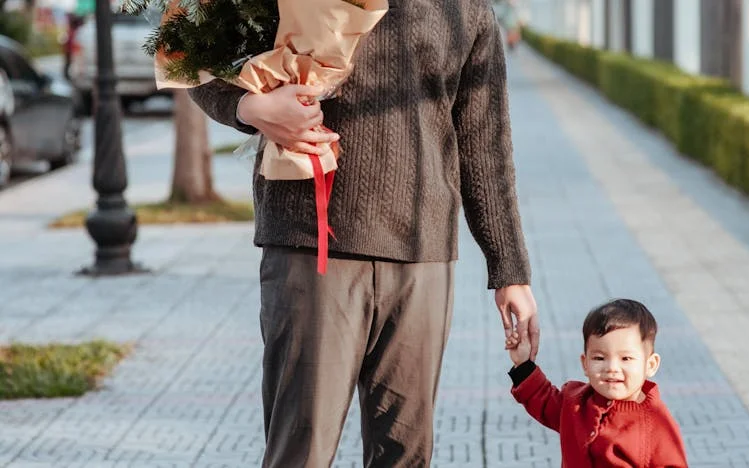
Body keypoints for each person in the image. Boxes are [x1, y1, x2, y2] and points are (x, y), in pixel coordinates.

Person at [187, 0, 538, 465]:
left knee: (406, 455)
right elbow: (189, 47)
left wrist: (509, 268)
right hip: (310, 242)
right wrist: (249, 106)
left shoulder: (467, 8)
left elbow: (483, 140)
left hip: (423, 253)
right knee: (300, 451)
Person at [507, 299, 688, 467]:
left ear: (650, 364)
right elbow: (543, 399)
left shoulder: (656, 424)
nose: (612, 368)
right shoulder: (575, 403)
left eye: (626, 358)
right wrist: (523, 364)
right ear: (585, 364)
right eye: (600, 358)